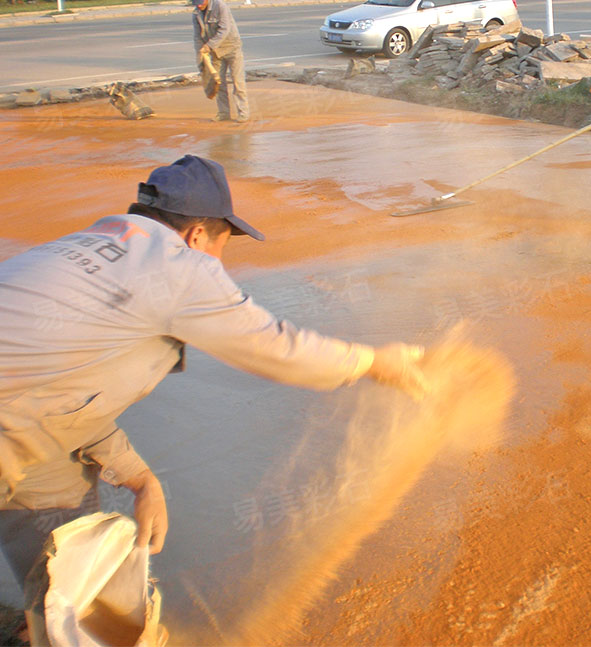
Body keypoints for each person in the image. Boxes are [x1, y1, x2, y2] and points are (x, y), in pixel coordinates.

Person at [0, 155, 427, 592]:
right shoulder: (177, 265)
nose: (219, 263)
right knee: (65, 545)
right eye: (223, 246)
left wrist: (140, 477)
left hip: (22, 414)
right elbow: (275, 348)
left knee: (67, 548)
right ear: (197, 233)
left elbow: (56, 392)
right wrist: (374, 362)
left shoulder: (74, 249)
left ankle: (61, 614)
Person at [193, 0, 249, 122]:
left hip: (231, 47)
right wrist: (200, 59)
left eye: (201, 2)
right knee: (218, 84)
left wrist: (209, 46)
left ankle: (243, 113)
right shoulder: (196, 13)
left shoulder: (220, 6)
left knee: (237, 81)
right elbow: (197, 37)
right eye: (196, 2)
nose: (199, 5)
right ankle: (223, 113)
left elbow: (224, 29)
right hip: (215, 52)